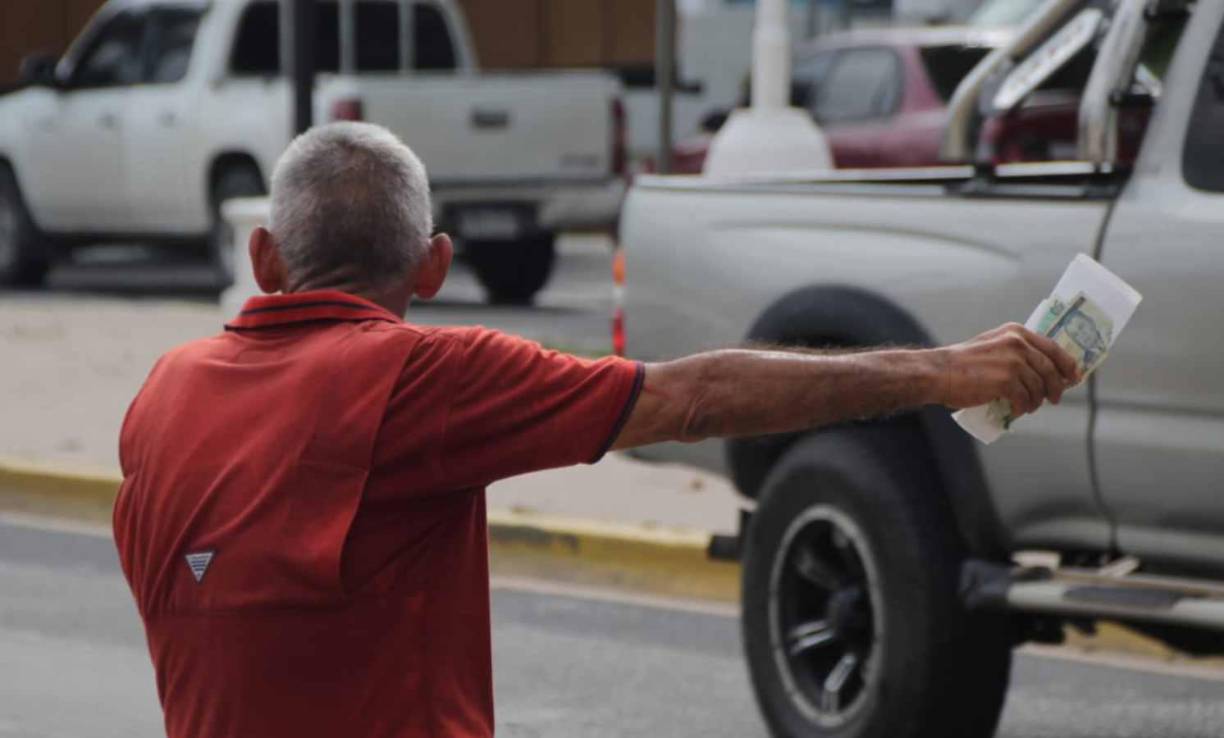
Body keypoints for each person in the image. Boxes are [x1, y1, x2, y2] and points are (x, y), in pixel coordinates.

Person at [112, 122, 1078, 738]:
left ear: (265, 258)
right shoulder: (418, 378)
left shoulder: (161, 397)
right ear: (435, 267)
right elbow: (689, 398)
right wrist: (944, 370)